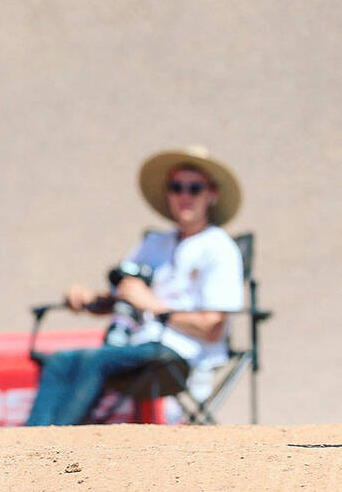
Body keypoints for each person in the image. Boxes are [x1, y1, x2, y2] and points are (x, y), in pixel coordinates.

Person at [26, 147, 245, 426]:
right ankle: (29, 440)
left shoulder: (219, 248)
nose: (184, 196)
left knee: (94, 360)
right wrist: (88, 300)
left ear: (211, 194)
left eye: (194, 188)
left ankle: (56, 441)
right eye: (176, 187)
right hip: (136, 345)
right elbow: (124, 297)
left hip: (181, 353)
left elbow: (212, 328)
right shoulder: (154, 243)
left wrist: (153, 306)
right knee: (60, 360)